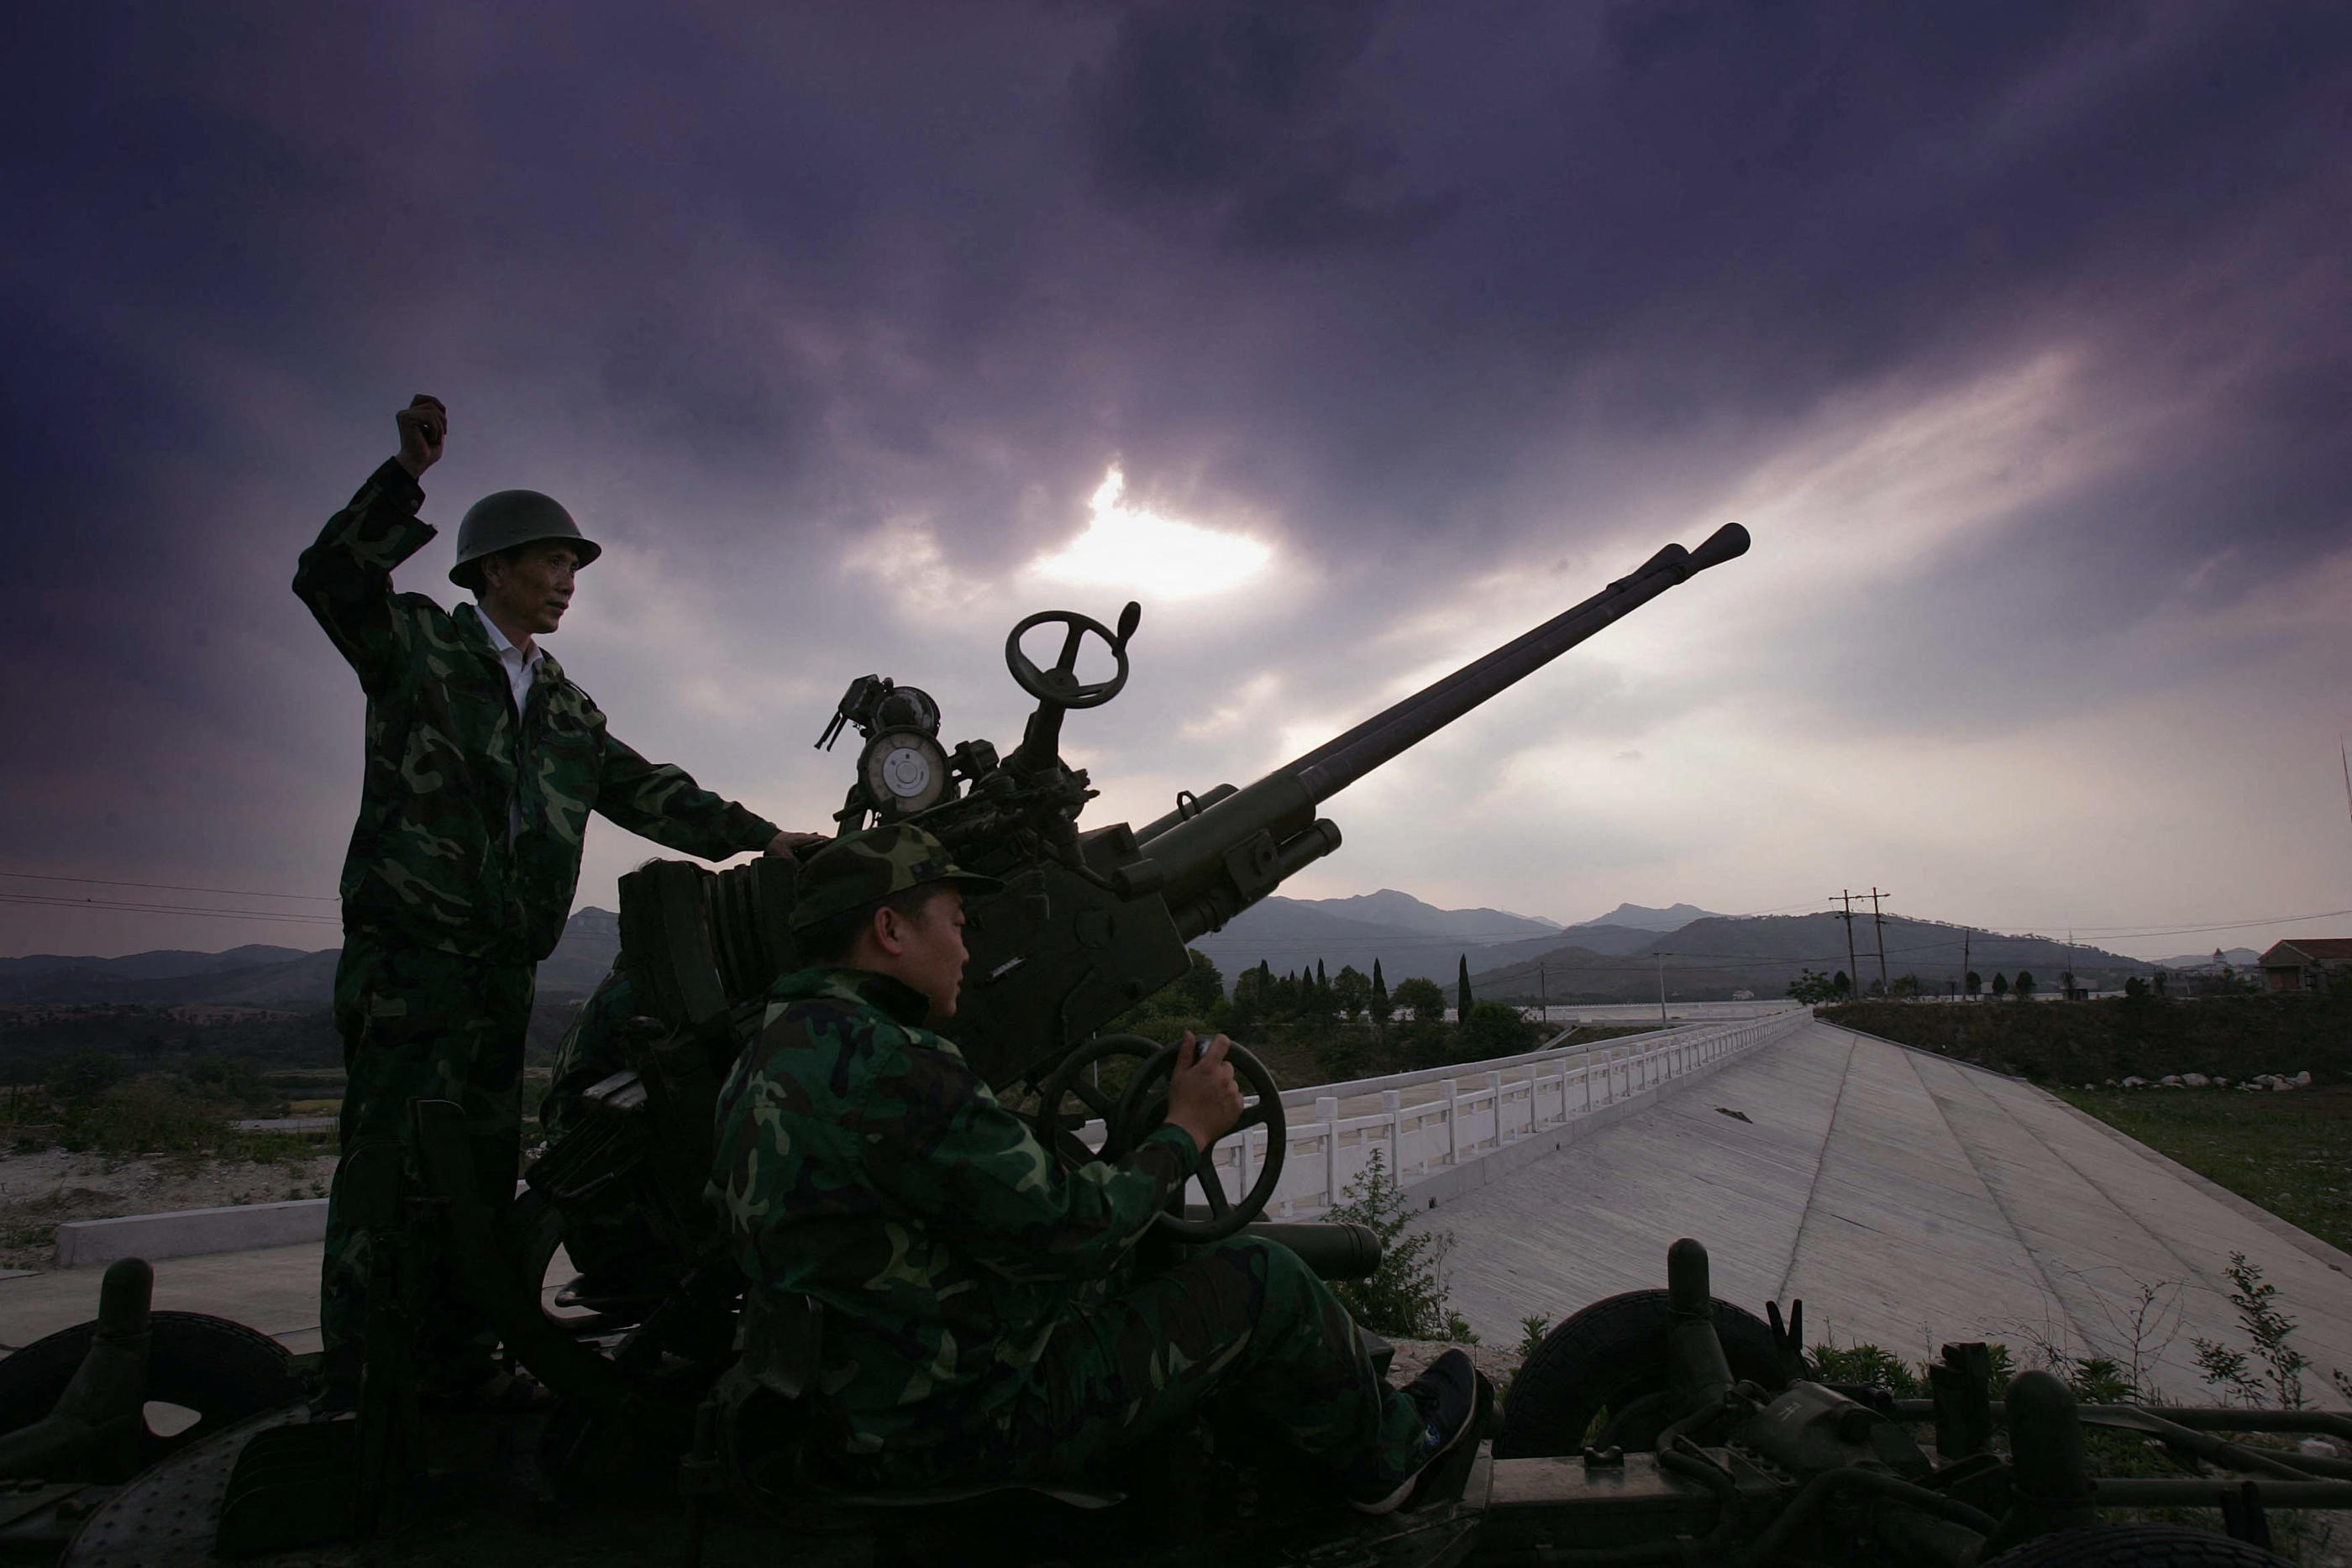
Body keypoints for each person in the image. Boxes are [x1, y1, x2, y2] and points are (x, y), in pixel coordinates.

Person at [296, 394, 826, 1408]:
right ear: (491, 568)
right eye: (547, 561)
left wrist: (765, 838)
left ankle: (452, 1361)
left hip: (502, 969)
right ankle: (363, 1382)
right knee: (388, 1167)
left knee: (478, 1175)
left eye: (572, 567)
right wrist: (404, 476)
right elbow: (328, 579)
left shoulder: (566, 705)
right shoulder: (419, 648)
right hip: (412, 960)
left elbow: (651, 791)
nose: (565, 582)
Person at [708, 824, 1480, 1513]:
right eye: (955, 923)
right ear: (889, 928)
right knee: (1258, 1277)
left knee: (1141, 1272)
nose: (968, 949)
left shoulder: (767, 1057)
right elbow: (1075, 1228)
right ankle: (1385, 1458)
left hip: (852, 1408)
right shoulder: (891, 1067)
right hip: (966, 1422)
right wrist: (1185, 1131)